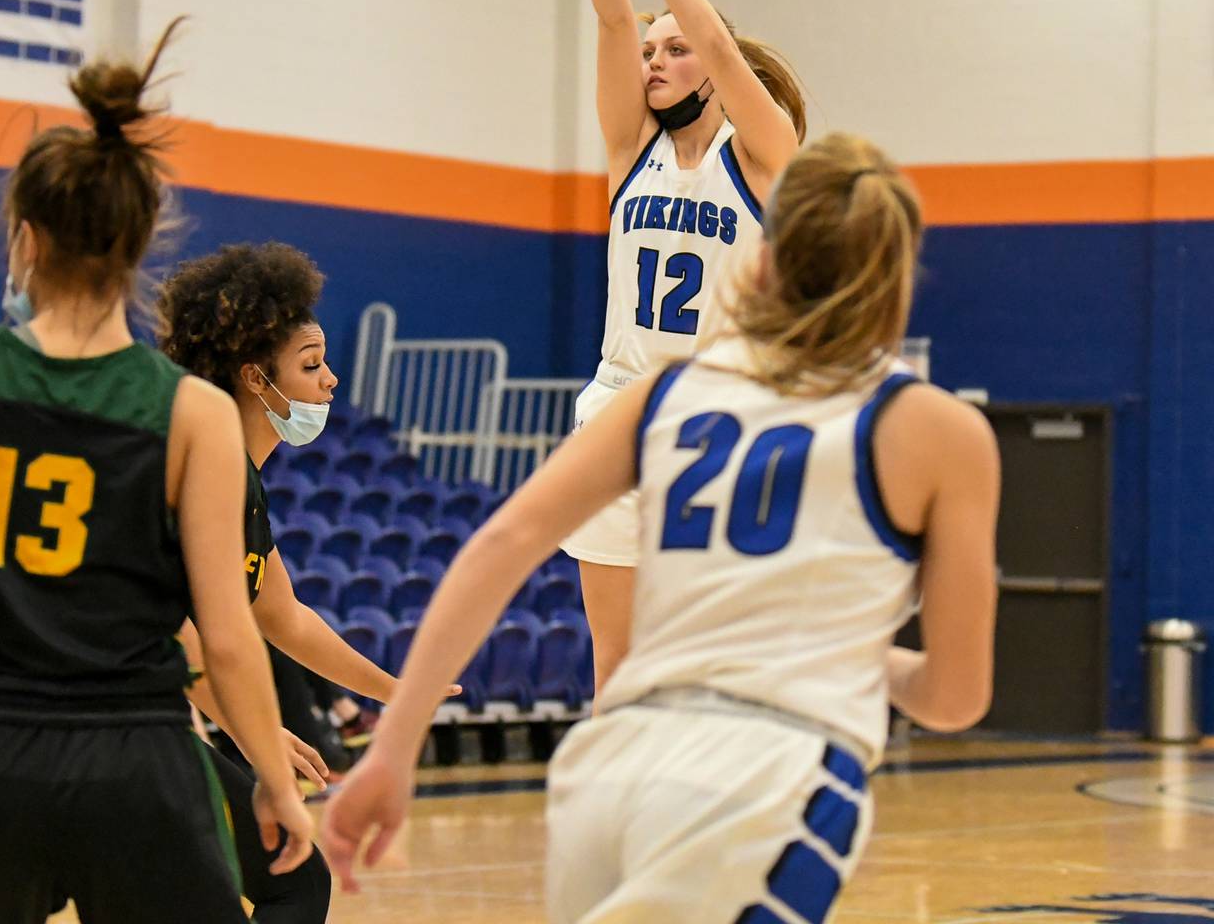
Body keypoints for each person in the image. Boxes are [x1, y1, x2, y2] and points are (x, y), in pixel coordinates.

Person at [322, 134, 1000, 924]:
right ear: (896, 275)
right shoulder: (938, 431)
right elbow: (954, 698)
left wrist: (395, 748)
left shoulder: (665, 393)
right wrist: (849, 649)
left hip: (610, 767)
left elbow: (499, 547)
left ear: (765, 256)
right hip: (765, 777)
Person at [0, 22, 313, 924]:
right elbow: (229, 633)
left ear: (23, 239)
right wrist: (274, 780)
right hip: (140, 759)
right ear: (139, 247)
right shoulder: (195, 412)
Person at [514, 0, 806, 694]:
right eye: (651, 51)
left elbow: (715, 39)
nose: (655, 60)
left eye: (673, 48)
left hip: (721, 418)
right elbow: (610, 22)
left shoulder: (761, 152)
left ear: (715, 67)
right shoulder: (629, 153)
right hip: (618, 409)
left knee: (710, 657)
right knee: (616, 663)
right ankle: (621, 817)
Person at [159, 240, 457, 924]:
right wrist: (253, 732)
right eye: (312, 365)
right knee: (292, 883)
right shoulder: (204, 473)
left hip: (156, 727)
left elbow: (283, 617)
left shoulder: (241, 480)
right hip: (137, 732)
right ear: (255, 378)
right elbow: (169, 632)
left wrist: (396, 692)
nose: (331, 383)